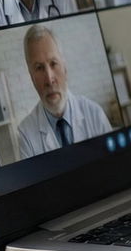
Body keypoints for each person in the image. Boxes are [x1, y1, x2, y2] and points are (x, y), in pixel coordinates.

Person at [14, 24, 113, 159]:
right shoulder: (25, 134)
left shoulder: (95, 114)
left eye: (53, 63)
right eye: (39, 68)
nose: (49, 79)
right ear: (31, 77)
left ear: (64, 67)